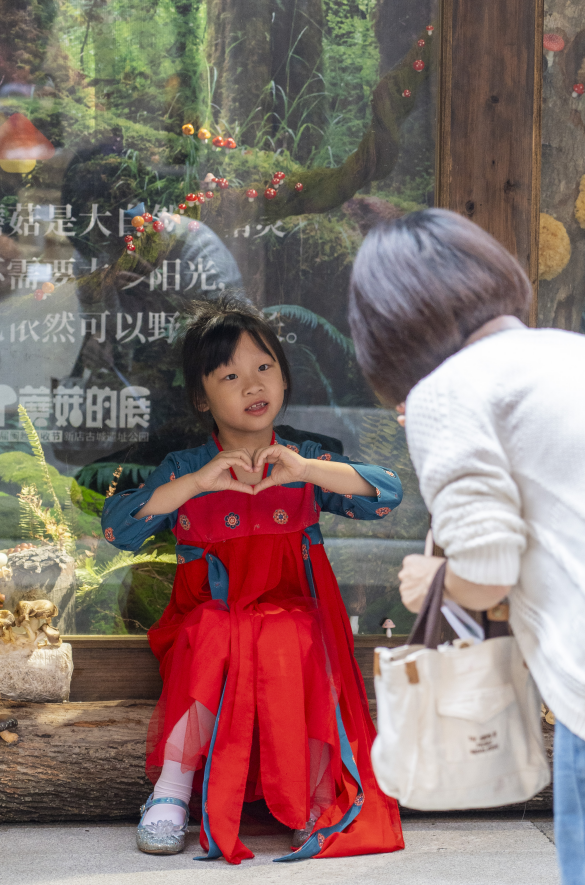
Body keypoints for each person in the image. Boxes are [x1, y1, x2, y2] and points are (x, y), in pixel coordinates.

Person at [101, 296, 404, 864]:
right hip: (207, 630)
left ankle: (313, 798)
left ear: (283, 378)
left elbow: (387, 494)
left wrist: (308, 470)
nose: (252, 384)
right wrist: (196, 483)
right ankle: (171, 789)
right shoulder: (184, 468)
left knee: (292, 636)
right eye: (230, 375)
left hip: (298, 624)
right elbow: (119, 530)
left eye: (264, 367)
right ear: (200, 396)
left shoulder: (308, 458)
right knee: (216, 630)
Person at [348, 208, 585, 885]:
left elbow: (484, 570)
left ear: (388, 327)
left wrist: (431, 579)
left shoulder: (447, 392)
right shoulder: (563, 352)